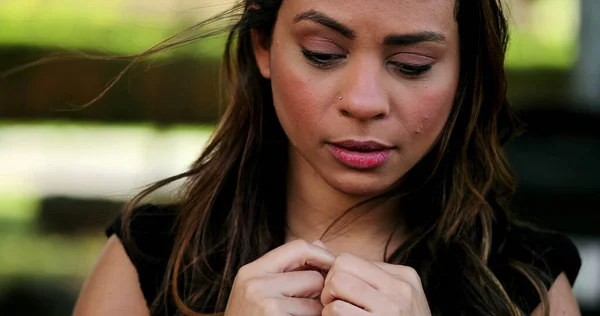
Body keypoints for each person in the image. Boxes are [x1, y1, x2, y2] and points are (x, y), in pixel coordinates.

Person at [72, 0, 582, 315]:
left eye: (411, 64)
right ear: (263, 47)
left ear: (464, 70)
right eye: (323, 53)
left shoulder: (527, 284)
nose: (363, 101)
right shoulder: (151, 260)